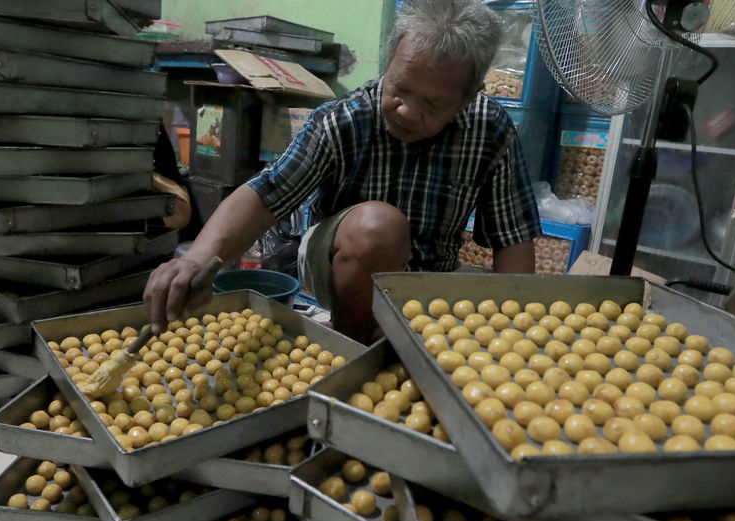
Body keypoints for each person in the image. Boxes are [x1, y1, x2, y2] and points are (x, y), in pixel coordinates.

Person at [144, 0, 541, 343]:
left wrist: (514, 329)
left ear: (467, 98)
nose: (406, 110)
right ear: (390, 64)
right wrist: (195, 261)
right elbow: (264, 196)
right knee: (378, 228)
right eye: (399, 88)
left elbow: (513, 239)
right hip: (340, 261)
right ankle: (354, 343)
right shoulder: (344, 120)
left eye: (432, 104)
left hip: (427, 277)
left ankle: (397, 326)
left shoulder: (490, 129)